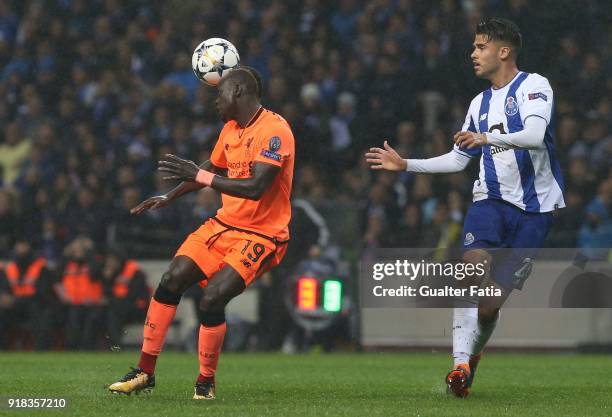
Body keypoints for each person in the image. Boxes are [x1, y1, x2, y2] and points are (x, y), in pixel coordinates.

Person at [365, 18, 564, 397]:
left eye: (480, 47)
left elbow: (537, 137)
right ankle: (458, 365)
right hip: (489, 201)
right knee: (472, 268)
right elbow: (459, 160)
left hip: (535, 212)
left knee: (489, 308)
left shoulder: (535, 86)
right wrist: (407, 164)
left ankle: (472, 357)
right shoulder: (479, 103)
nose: (473, 54)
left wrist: (487, 137)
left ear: (503, 51)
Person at [108, 66, 295, 400]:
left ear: (238, 91)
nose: (215, 101)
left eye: (219, 93)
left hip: (262, 235)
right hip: (223, 225)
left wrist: (201, 176)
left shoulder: (275, 130)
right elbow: (209, 169)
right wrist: (170, 195)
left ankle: (206, 381)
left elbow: (255, 187)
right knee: (171, 279)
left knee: (212, 299)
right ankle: (144, 372)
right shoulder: (230, 129)